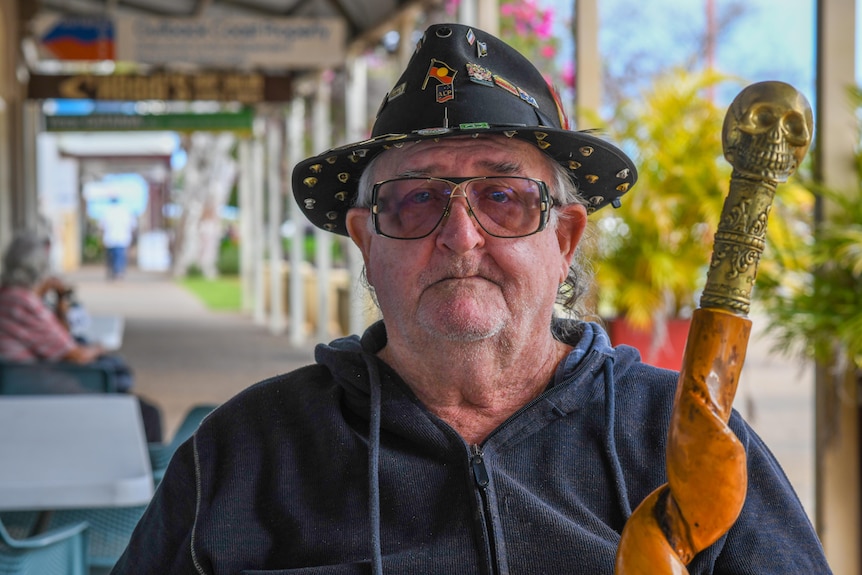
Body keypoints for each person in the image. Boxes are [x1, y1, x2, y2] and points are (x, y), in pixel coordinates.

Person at [111, 23, 831, 574]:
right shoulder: (244, 451)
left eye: (505, 198)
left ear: (566, 239)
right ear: (365, 240)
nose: (460, 236)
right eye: (417, 197)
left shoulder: (683, 445)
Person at [0, 230, 162, 442]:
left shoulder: (8, 296)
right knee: (147, 413)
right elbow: (74, 354)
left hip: (23, 381)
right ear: (37, 268)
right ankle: (153, 471)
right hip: (37, 385)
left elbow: (58, 334)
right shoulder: (24, 301)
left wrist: (57, 298)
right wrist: (98, 348)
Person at [100, 194, 137, 279]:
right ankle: (118, 272)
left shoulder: (107, 211)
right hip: (122, 237)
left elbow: (101, 226)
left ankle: (115, 272)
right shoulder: (125, 211)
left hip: (110, 238)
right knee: (120, 256)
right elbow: (133, 225)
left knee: (112, 256)